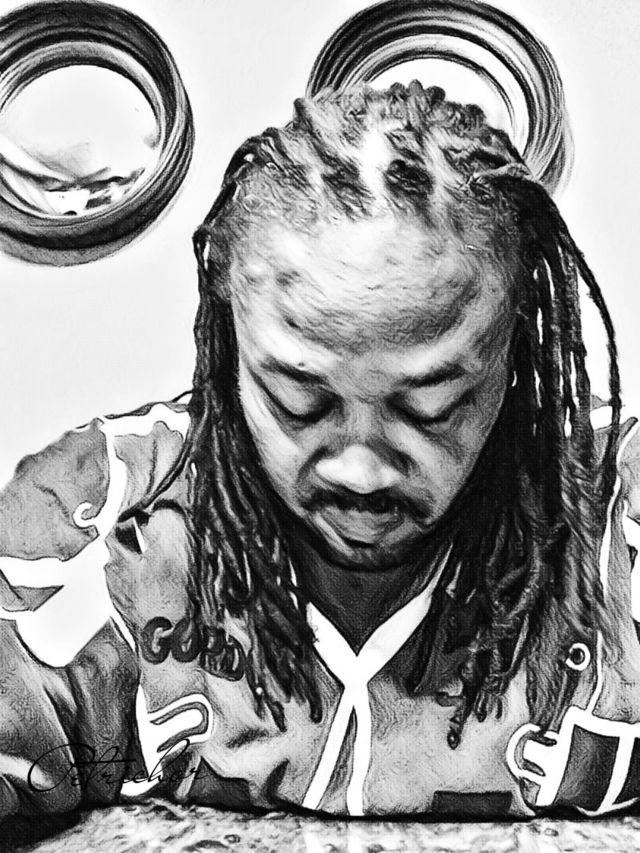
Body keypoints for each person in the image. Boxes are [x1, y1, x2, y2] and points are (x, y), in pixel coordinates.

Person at [1, 82, 639, 822]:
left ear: (514, 353)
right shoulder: (97, 514)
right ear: (229, 344)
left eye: (431, 408)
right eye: (299, 401)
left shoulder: (618, 517)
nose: (361, 470)